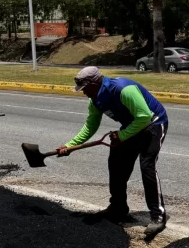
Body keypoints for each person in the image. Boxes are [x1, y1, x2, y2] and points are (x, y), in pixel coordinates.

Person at [57, 66, 169, 238]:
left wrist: (122, 135)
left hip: (153, 124)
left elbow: (144, 116)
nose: (83, 92)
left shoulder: (123, 89)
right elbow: (90, 126)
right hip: (132, 127)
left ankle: (158, 216)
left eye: (85, 88)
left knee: (147, 167)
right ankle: (118, 208)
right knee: (116, 163)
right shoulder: (95, 99)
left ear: (95, 83)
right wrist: (70, 145)